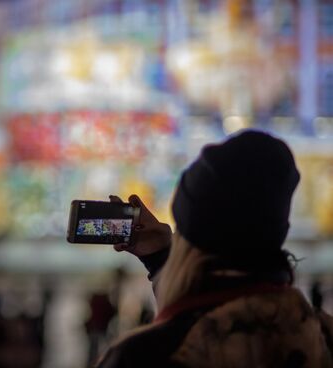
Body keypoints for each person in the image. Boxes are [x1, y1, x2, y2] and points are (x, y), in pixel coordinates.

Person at [96, 130, 333, 367]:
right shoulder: (321, 339)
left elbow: (189, 323)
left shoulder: (142, 357)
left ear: (190, 240)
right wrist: (160, 257)